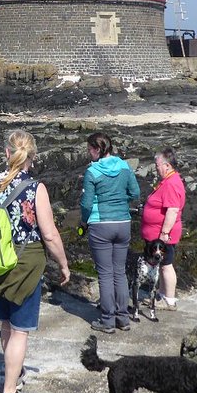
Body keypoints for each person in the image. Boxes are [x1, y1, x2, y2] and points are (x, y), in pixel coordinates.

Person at [0, 129, 70, 393]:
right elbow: (49, 234)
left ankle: (14, 372)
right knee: (20, 329)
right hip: (25, 264)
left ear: (6, 153)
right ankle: (10, 390)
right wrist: (63, 264)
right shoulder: (36, 188)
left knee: (5, 323)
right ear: (32, 157)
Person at [80, 131, 141, 333]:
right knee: (120, 272)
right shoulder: (125, 167)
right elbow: (135, 193)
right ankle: (123, 318)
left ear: (97, 149)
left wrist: (83, 221)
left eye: (89, 149)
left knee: (105, 274)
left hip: (101, 224)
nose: (88, 153)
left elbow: (87, 203)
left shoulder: (92, 172)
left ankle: (107, 320)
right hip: (123, 222)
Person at [141, 148, 187, 311]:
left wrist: (164, 234)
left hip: (164, 236)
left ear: (166, 165)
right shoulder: (168, 180)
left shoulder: (172, 183)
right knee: (161, 265)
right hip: (156, 235)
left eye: (157, 164)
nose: (155, 167)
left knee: (166, 265)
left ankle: (169, 300)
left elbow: (173, 210)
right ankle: (160, 295)